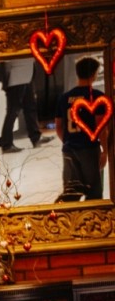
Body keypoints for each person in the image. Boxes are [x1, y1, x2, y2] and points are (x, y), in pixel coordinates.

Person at [56, 56, 108, 201]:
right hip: (89, 149)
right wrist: (104, 151)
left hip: (69, 149)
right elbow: (101, 127)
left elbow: (58, 126)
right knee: (94, 192)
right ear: (94, 74)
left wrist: (68, 141)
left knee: (71, 193)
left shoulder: (64, 97)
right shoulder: (97, 97)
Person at [0, 57, 51, 154]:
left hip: (26, 75)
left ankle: (36, 137)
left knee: (30, 107)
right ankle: (7, 144)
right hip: (16, 76)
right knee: (13, 111)